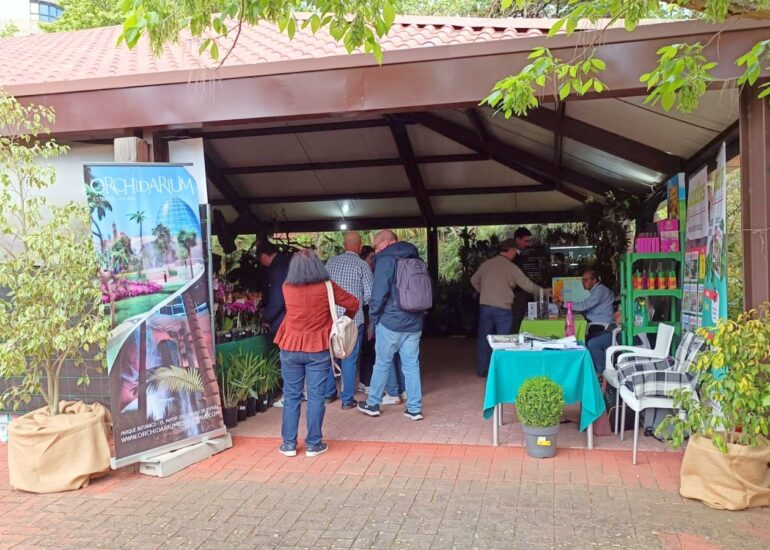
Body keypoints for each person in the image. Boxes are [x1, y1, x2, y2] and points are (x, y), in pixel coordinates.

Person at [274, 250, 359, 458]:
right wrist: (344, 320)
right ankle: (313, 444)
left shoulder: (287, 287)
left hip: (290, 345)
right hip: (318, 348)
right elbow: (354, 303)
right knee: (315, 397)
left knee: (291, 396)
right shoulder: (326, 286)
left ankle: (288, 444)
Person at [358, 230, 425, 420]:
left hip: (390, 322)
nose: (376, 250)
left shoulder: (386, 260)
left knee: (382, 364)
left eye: (377, 246)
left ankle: (373, 404)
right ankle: (414, 409)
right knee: (411, 366)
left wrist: (373, 319)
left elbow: (378, 294)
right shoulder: (416, 258)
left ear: (386, 243)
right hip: (414, 322)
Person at [471, 238, 543, 378]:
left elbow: (473, 280)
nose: (515, 254)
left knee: (484, 338)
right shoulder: (511, 267)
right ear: (511, 251)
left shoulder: (487, 264)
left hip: (485, 306)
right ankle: (501, 371)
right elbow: (527, 286)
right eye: (515, 251)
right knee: (503, 340)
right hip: (503, 308)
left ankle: (483, 369)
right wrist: (544, 291)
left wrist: (483, 292)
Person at [324, 232, 373, 409]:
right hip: (353, 319)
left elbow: (324, 288)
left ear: (344, 245)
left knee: (330, 357)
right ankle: (346, 400)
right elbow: (369, 295)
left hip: (331, 318)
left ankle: (328, 394)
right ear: (359, 247)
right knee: (349, 359)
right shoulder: (362, 265)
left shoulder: (330, 262)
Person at [554, 269, 614, 340]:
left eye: (585, 280)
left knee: (571, 330)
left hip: (600, 325)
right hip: (595, 323)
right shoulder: (599, 289)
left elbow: (584, 306)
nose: (582, 283)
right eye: (582, 280)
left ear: (594, 280)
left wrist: (563, 303)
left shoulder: (600, 290)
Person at [256, 241, 290, 336]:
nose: (261, 263)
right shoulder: (284, 261)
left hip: (283, 315)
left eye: (260, 259)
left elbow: (277, 299)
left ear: (263, 256)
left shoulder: (278, 269)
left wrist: (267, 319)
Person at [358, 246, 376, 392]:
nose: (374, 260)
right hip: (364, 314)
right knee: (368, 347)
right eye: (371, 257)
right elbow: (370, 298)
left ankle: (366, 380)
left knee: (369, 348)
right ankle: (366, 381)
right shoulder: (364, 271)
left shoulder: (375, 272)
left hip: (368, 314)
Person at [510, 227, 534, 333]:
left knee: (518, 321)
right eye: (526, 241)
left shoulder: (518, 255)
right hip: (515, 294)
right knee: (515, 323)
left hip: (519, 293)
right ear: (517, 239)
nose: (528, 244)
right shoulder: (511, 256)